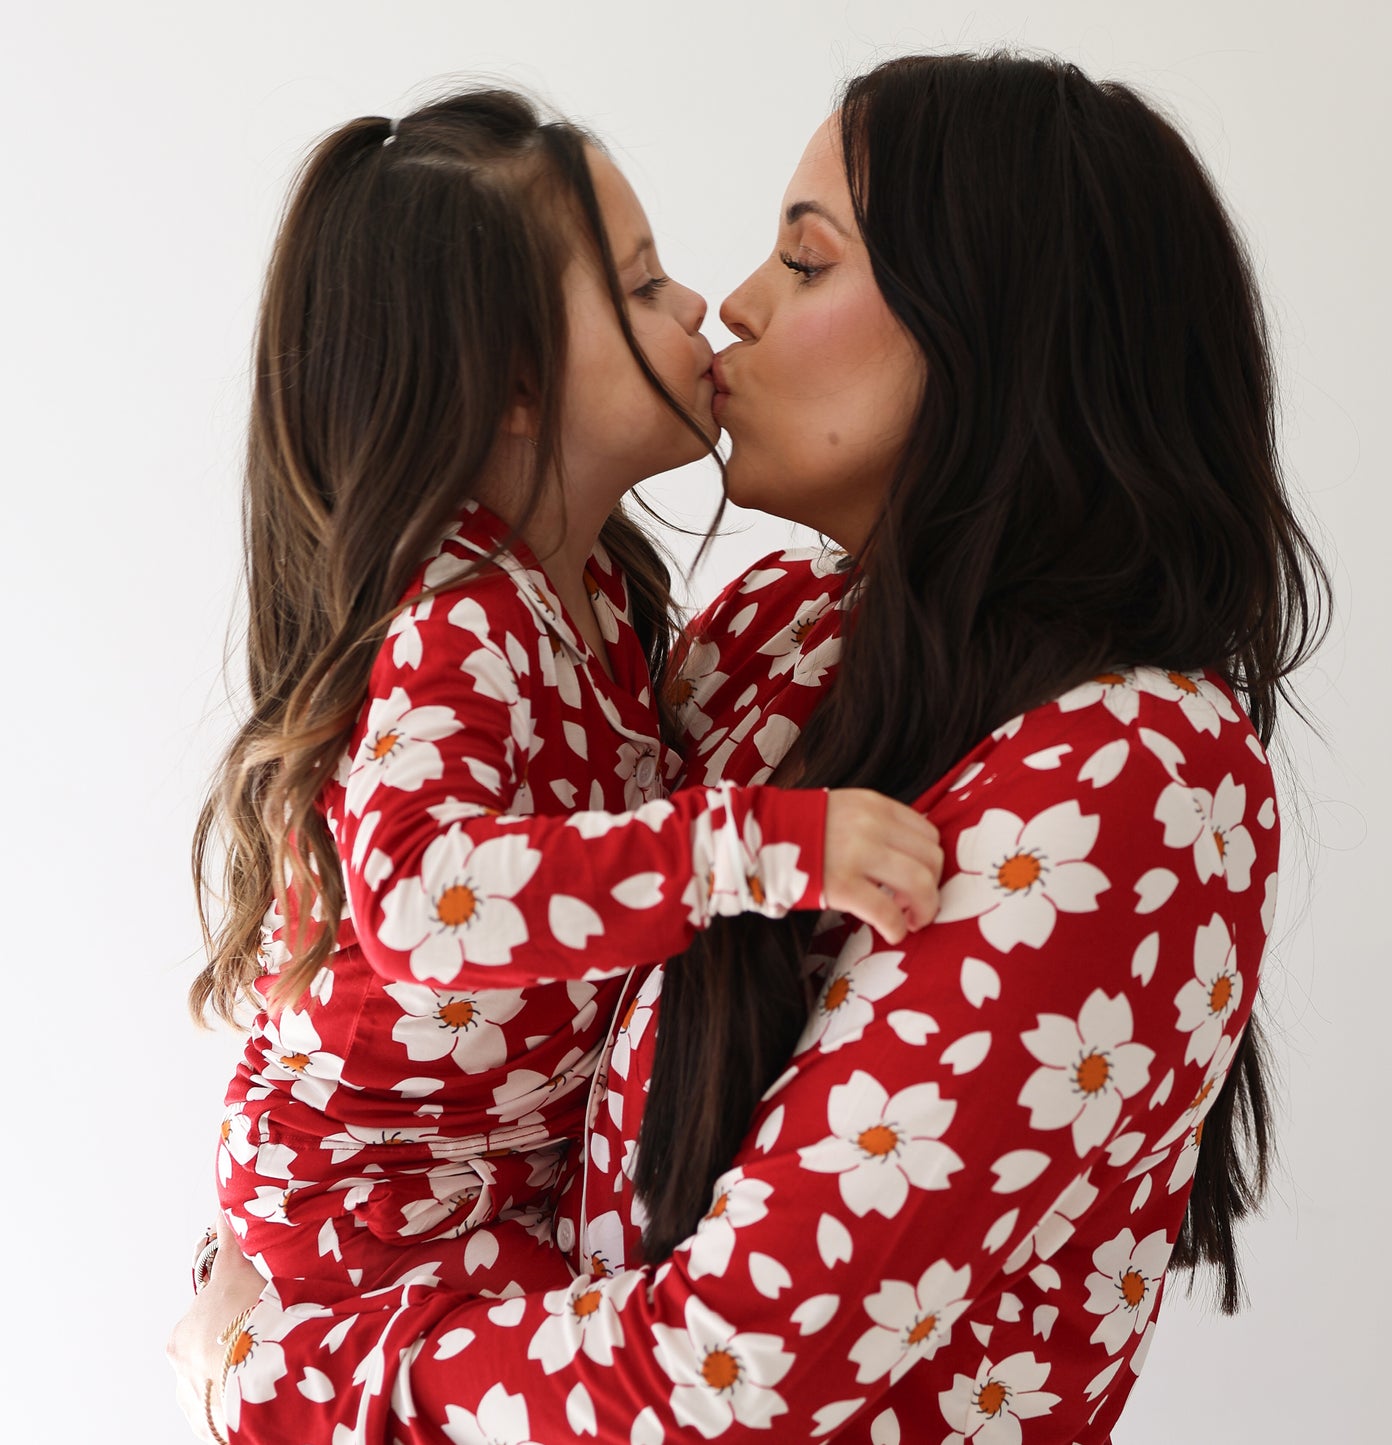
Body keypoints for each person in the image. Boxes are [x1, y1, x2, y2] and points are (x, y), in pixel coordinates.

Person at [170, 50, 1329, 1445]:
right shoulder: (762, 635)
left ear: (997, 328)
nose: (728, 303)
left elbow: (734, 1369)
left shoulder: (1137, 774)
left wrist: (286, 1380)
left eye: (806, 256)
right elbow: (445, 951)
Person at [187, 81, 943, 1369]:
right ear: (522, 388)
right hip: (373, 1222)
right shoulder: (464, 618)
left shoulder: (599, 595)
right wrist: (753, 848)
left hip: (481, 1199)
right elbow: (422, 899)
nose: (702, 305)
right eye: (643, 288)